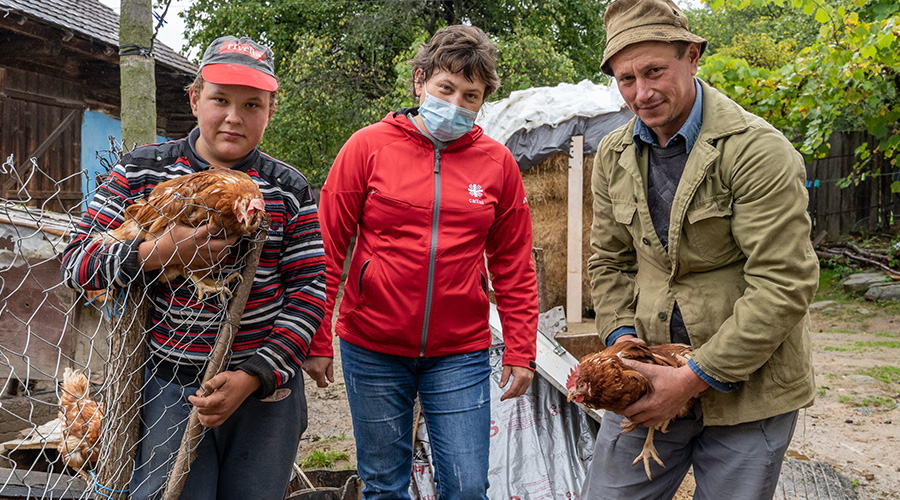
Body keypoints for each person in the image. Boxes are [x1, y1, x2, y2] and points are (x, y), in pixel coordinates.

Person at [61, 36, 327, 500]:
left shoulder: (288, 188)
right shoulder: (142, 171)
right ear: (194, 97)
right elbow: (75, 262)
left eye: (252, 105)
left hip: (263, 391)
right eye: (220, 99)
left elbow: (309, 291)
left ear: (271, 109)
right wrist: (155, 255)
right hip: (168, 384)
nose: (233, 117)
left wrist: (254, 376)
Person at [581, 0, 820, 498]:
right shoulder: (612, 153)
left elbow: (783, 282)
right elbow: (608, 260)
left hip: (749, 391)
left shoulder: (757, 150)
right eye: (626, 79)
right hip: (648, 380)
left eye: (654, 71)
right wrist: (625, 349)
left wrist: (693, 378)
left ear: (692, 56)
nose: (641, 93)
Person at [312, 25, 538, 500]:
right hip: (372, 346)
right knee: (384, 485)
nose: (455, 104)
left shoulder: (497, 164)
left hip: (459, 351)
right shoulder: (367, 147)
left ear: (483, 101)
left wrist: (521, 347)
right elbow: (328, 246)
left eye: (470, 96)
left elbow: (513, 262)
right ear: (420, 81)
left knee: (467, 485)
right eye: (445, 88)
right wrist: (316, 336)